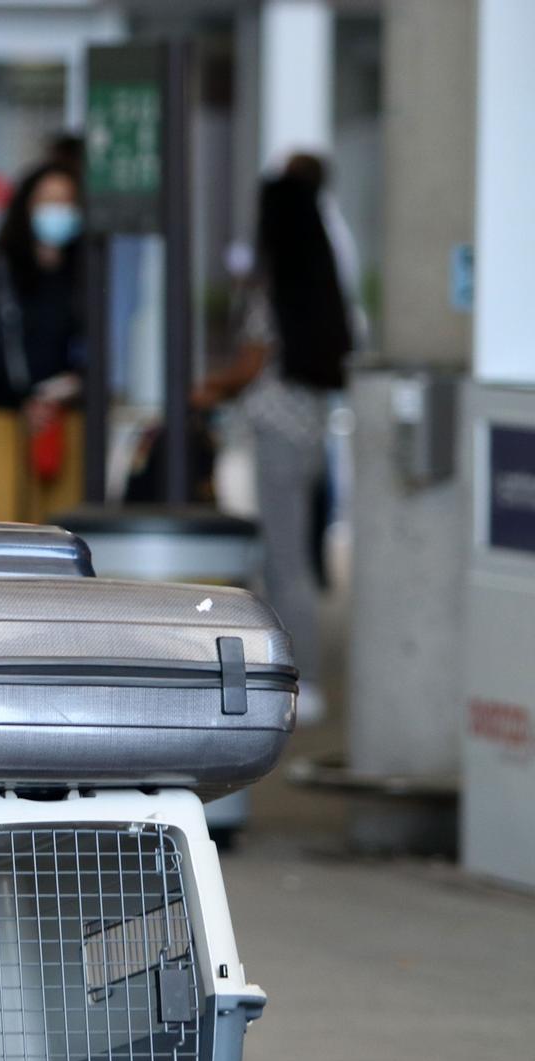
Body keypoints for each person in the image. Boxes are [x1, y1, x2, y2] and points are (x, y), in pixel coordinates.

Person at [194, 172, 352, 723]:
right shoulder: (321, 282)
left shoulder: (275, 286)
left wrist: (209, 386)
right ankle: (302, 675)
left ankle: (300, 679)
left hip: (276, 435)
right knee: (295, 555)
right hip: (309, 433)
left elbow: (252, 363)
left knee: (285, 563)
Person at [0, 159, 87, 523]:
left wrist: (67, 390)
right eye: (48, 201)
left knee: (65, 523)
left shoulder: (87, 270)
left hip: (68, 417)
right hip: (6, 413)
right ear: (26, 206)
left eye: (66, 202)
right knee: (10, 520)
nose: (57, 211)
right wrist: (23, 399)